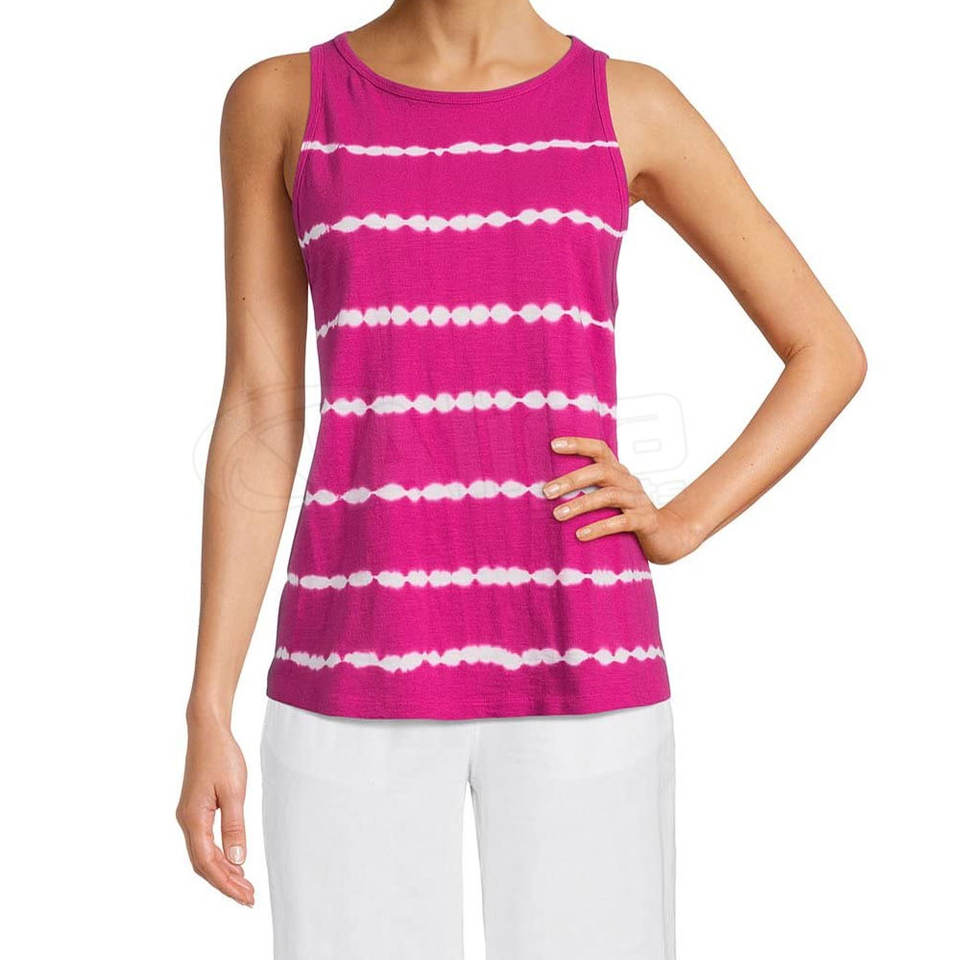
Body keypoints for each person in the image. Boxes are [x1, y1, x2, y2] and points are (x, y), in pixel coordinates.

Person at [177, 2, 866, 957]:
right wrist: (207, 705)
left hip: (584, 661)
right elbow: (261, 408)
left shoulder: (628, 104)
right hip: (350, 666)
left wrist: (683, 522)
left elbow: (826, 351)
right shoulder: (285, 99)